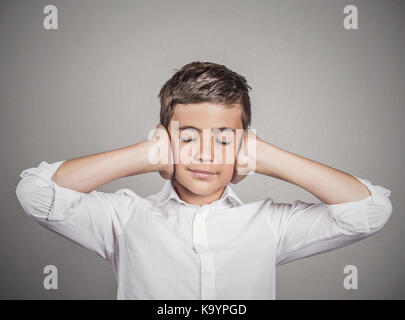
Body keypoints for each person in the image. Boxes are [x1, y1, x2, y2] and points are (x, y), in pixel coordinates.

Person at [15, 61, 393, 299]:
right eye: (189, 136)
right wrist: (143, 155)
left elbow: (369, 212)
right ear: (164, 139)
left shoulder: (270, 224)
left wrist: (269, 157)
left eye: (225, 139)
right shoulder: (124, 217)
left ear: (244, 142)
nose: (207, 154)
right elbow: (36, 193)